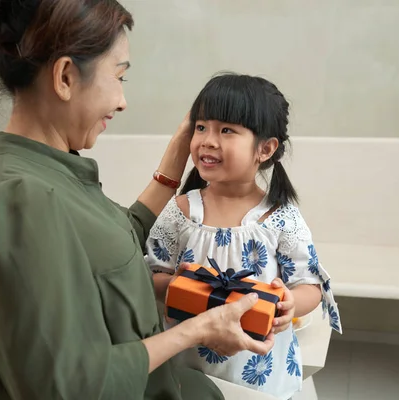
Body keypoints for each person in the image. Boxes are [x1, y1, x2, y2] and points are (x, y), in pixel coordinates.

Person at [0, 1, 274, 399]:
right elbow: (66, 386)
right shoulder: (20, 200)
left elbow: (123, 235)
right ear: (66, 77)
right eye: (119, 77)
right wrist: (197, 330)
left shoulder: (54, 172)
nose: (122, 101)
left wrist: (175, 156)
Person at [145, 73, 342, 400]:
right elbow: (150, 275)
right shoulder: (180, 211)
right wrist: (175, 284)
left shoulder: (279, 217)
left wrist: (290, 305)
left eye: (226, 130)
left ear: (265, 149)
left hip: (258, 374)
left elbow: (310, 285)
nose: (208, 140)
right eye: (201, 127)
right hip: (188, 367)